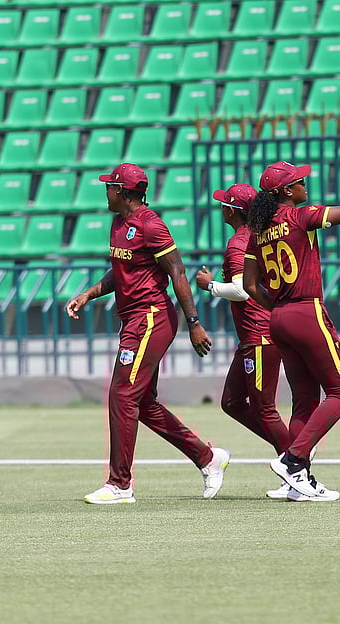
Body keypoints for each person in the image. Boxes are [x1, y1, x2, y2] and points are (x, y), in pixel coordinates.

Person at [67, 163, 229, 505]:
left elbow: (177, 271)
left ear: (123, 192)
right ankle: (207, 457)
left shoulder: (151, 225)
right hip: (134, 320)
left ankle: (120, 485)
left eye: (109, 187)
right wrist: (90, 293)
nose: (105, 192)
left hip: (151, 319)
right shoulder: (118, 223)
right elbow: (122, 271)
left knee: (121, 395)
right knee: (141, 402)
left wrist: (194, 322)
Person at [242, 160, 340, 501]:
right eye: (299, 181)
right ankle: (294, 461)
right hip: (306, 311)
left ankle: (297, 482)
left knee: (304, 401)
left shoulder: (259, 230)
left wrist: (279, 309)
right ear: (286, 191)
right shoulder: (299, 216)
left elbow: (250, 285)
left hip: (279, 316)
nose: (304, 185)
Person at [195, 183, 293, 499]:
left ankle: (296, 460)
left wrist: (210, 286)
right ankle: (292, 451)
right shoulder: (255, 237)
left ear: (234, 211)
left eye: (225, 204)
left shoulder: (239, 243)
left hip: (260, 335)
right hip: (252, 336)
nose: (221, 208)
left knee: (265, 410)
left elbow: (241, 288)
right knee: (232, 402)